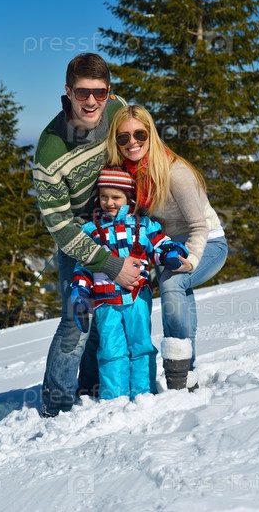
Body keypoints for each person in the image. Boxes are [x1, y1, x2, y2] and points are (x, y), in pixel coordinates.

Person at [33, 54, 142, 417]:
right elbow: (61, 227)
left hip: (119, 225)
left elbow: (138, 147)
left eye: (99, 92)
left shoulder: (117, 110)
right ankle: (56, 406)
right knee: (77, 320)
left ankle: (91, 389)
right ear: (68, 92)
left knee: (110, 311)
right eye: (82, 93)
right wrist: (110, 265)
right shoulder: (50, 152)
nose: (92, 101)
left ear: (109, 92)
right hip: (79, 235)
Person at [100, 104, 228, 391]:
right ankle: (189, 375)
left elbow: (199, 227)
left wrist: (191, 259)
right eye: (123, 137)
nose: (132, 142)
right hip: (168, 247)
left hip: (208, 243)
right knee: (179, 291)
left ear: (151, 134)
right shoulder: (127, 174)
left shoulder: (175, 173)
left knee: (173, 282)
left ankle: (177, 377)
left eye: (139, 134)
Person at [70, 166, 188, 400]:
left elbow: (160, 246)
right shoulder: (91, 231)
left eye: (116, 197)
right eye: (104, 196)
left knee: (141, 345)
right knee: (111, 349)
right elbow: (84, 265)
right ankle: (115, 398)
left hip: (138, 296)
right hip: (105, 301)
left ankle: (144, 394)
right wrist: (80, 292)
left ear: (129, 198)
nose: (109, 202)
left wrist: (170, 254)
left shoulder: (143, 225)